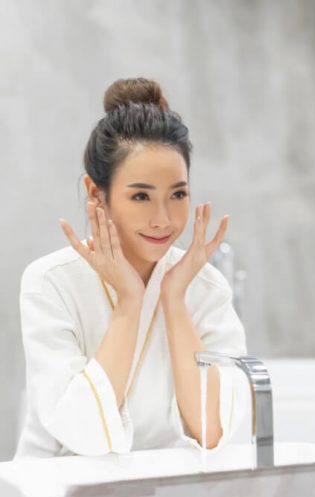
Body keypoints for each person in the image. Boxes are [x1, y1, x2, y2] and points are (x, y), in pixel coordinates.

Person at [15, 79, 249, 458]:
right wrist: (129, 303)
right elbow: (84, 434)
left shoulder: (204, 287)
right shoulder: (51, 282)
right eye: (141, 195)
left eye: (178, 194)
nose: (163, 219)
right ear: (96, 194)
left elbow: (212, 433)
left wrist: (174, 298)